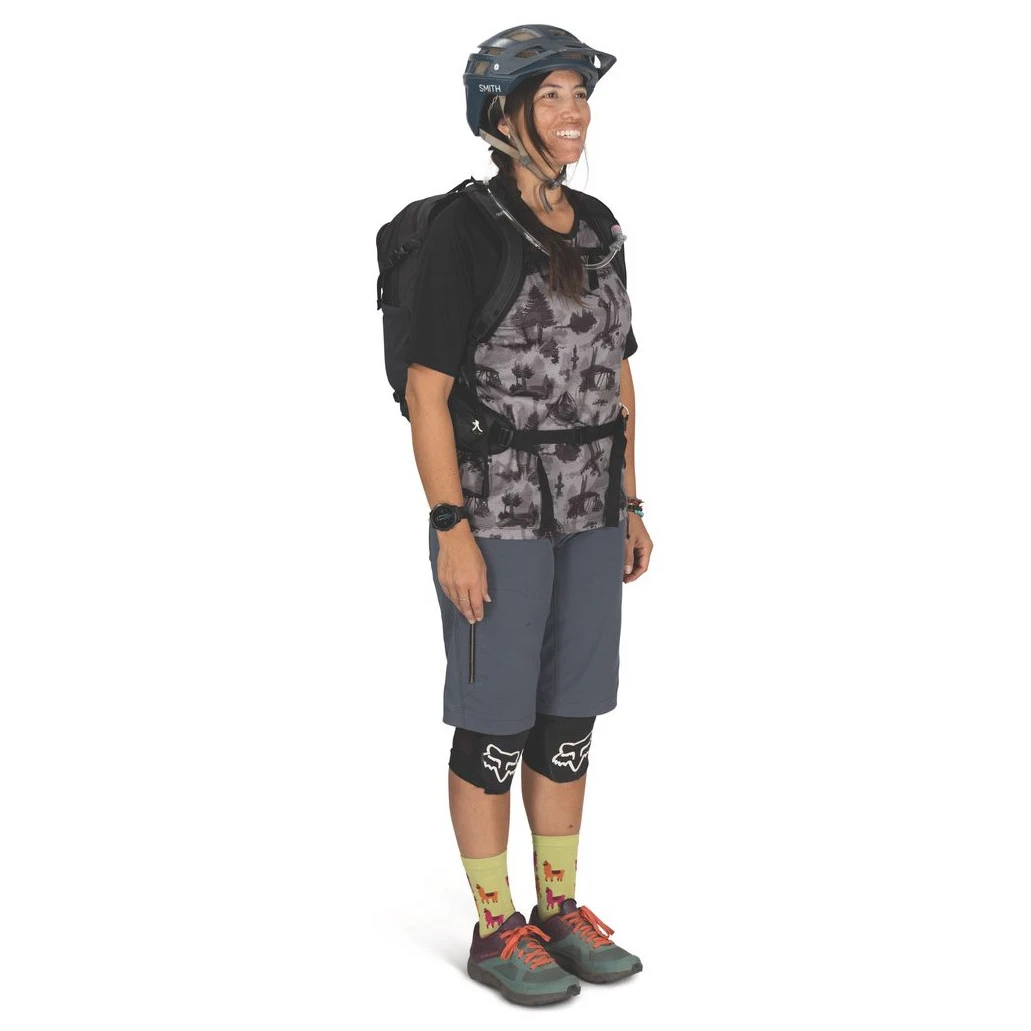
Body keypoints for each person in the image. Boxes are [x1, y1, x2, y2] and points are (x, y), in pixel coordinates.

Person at [404, 24, 653, 1007]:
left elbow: (617, 372)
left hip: (590, 510)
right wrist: (449, 527)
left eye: (578, 95)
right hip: (498, 514)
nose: (573, 112)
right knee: (494, 724)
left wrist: (630, 497)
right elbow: (426, 392)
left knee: (567, 717)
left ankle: (557, 905)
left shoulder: (598, 225)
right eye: (550, 96)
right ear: (501, 112)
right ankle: (493, 922)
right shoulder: (462, 230)